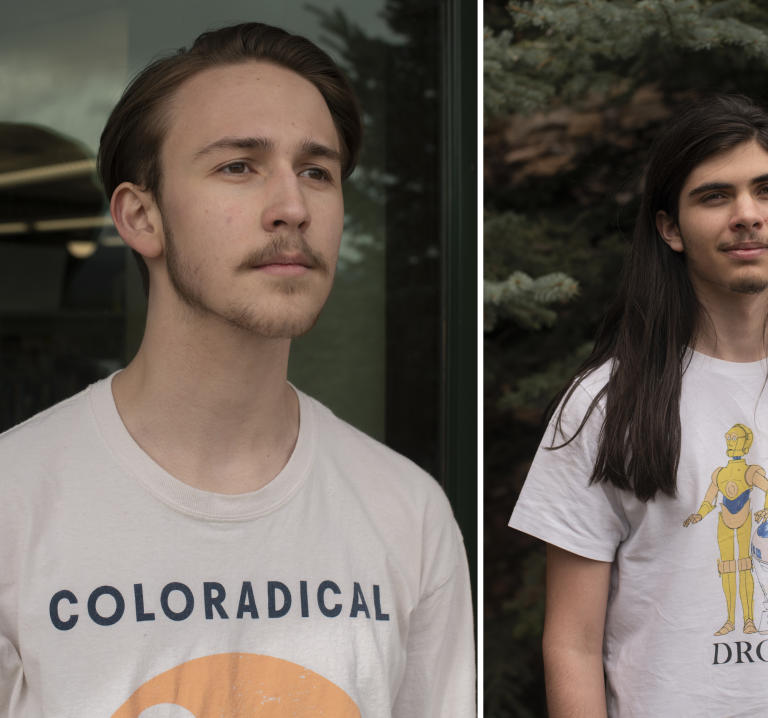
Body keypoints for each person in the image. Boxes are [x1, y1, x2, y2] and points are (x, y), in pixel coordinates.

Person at [0, 23, 474, 717]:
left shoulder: (407, 511)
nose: (293, 208)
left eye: (318, 172)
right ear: (141, 216)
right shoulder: (16, 501)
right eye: (238, 167)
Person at [509, 94, 768, 717]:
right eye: (714, 196)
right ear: (670, 228)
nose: (747, 215)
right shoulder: (606, 405)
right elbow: (573, 642)